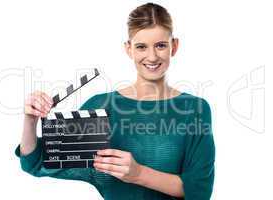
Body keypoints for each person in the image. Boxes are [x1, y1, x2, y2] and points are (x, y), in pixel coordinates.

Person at [15, 2, 215, 200]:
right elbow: (36, 162)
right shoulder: (101, 107)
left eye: (161, 45)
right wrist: (30, 120)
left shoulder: (194, 109)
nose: (152, 56)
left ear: (175, 46)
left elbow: (199, 190)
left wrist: (139, 174)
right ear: (129, 49)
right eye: (141, 47)